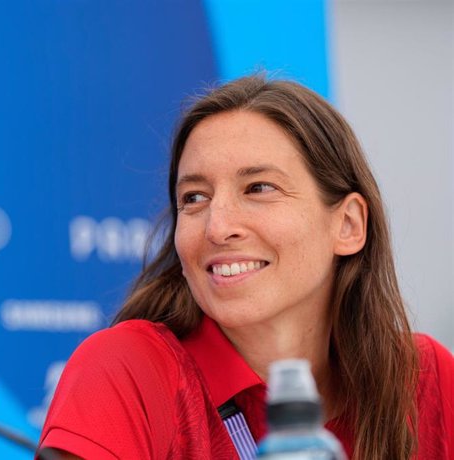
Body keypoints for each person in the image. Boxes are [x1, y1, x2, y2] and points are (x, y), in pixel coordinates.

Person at [37, 75, 454, 459]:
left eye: (258, 188)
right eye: (195, 198)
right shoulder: (126, 368)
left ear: (347, 225)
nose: (217, 227)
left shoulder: (424, 378)